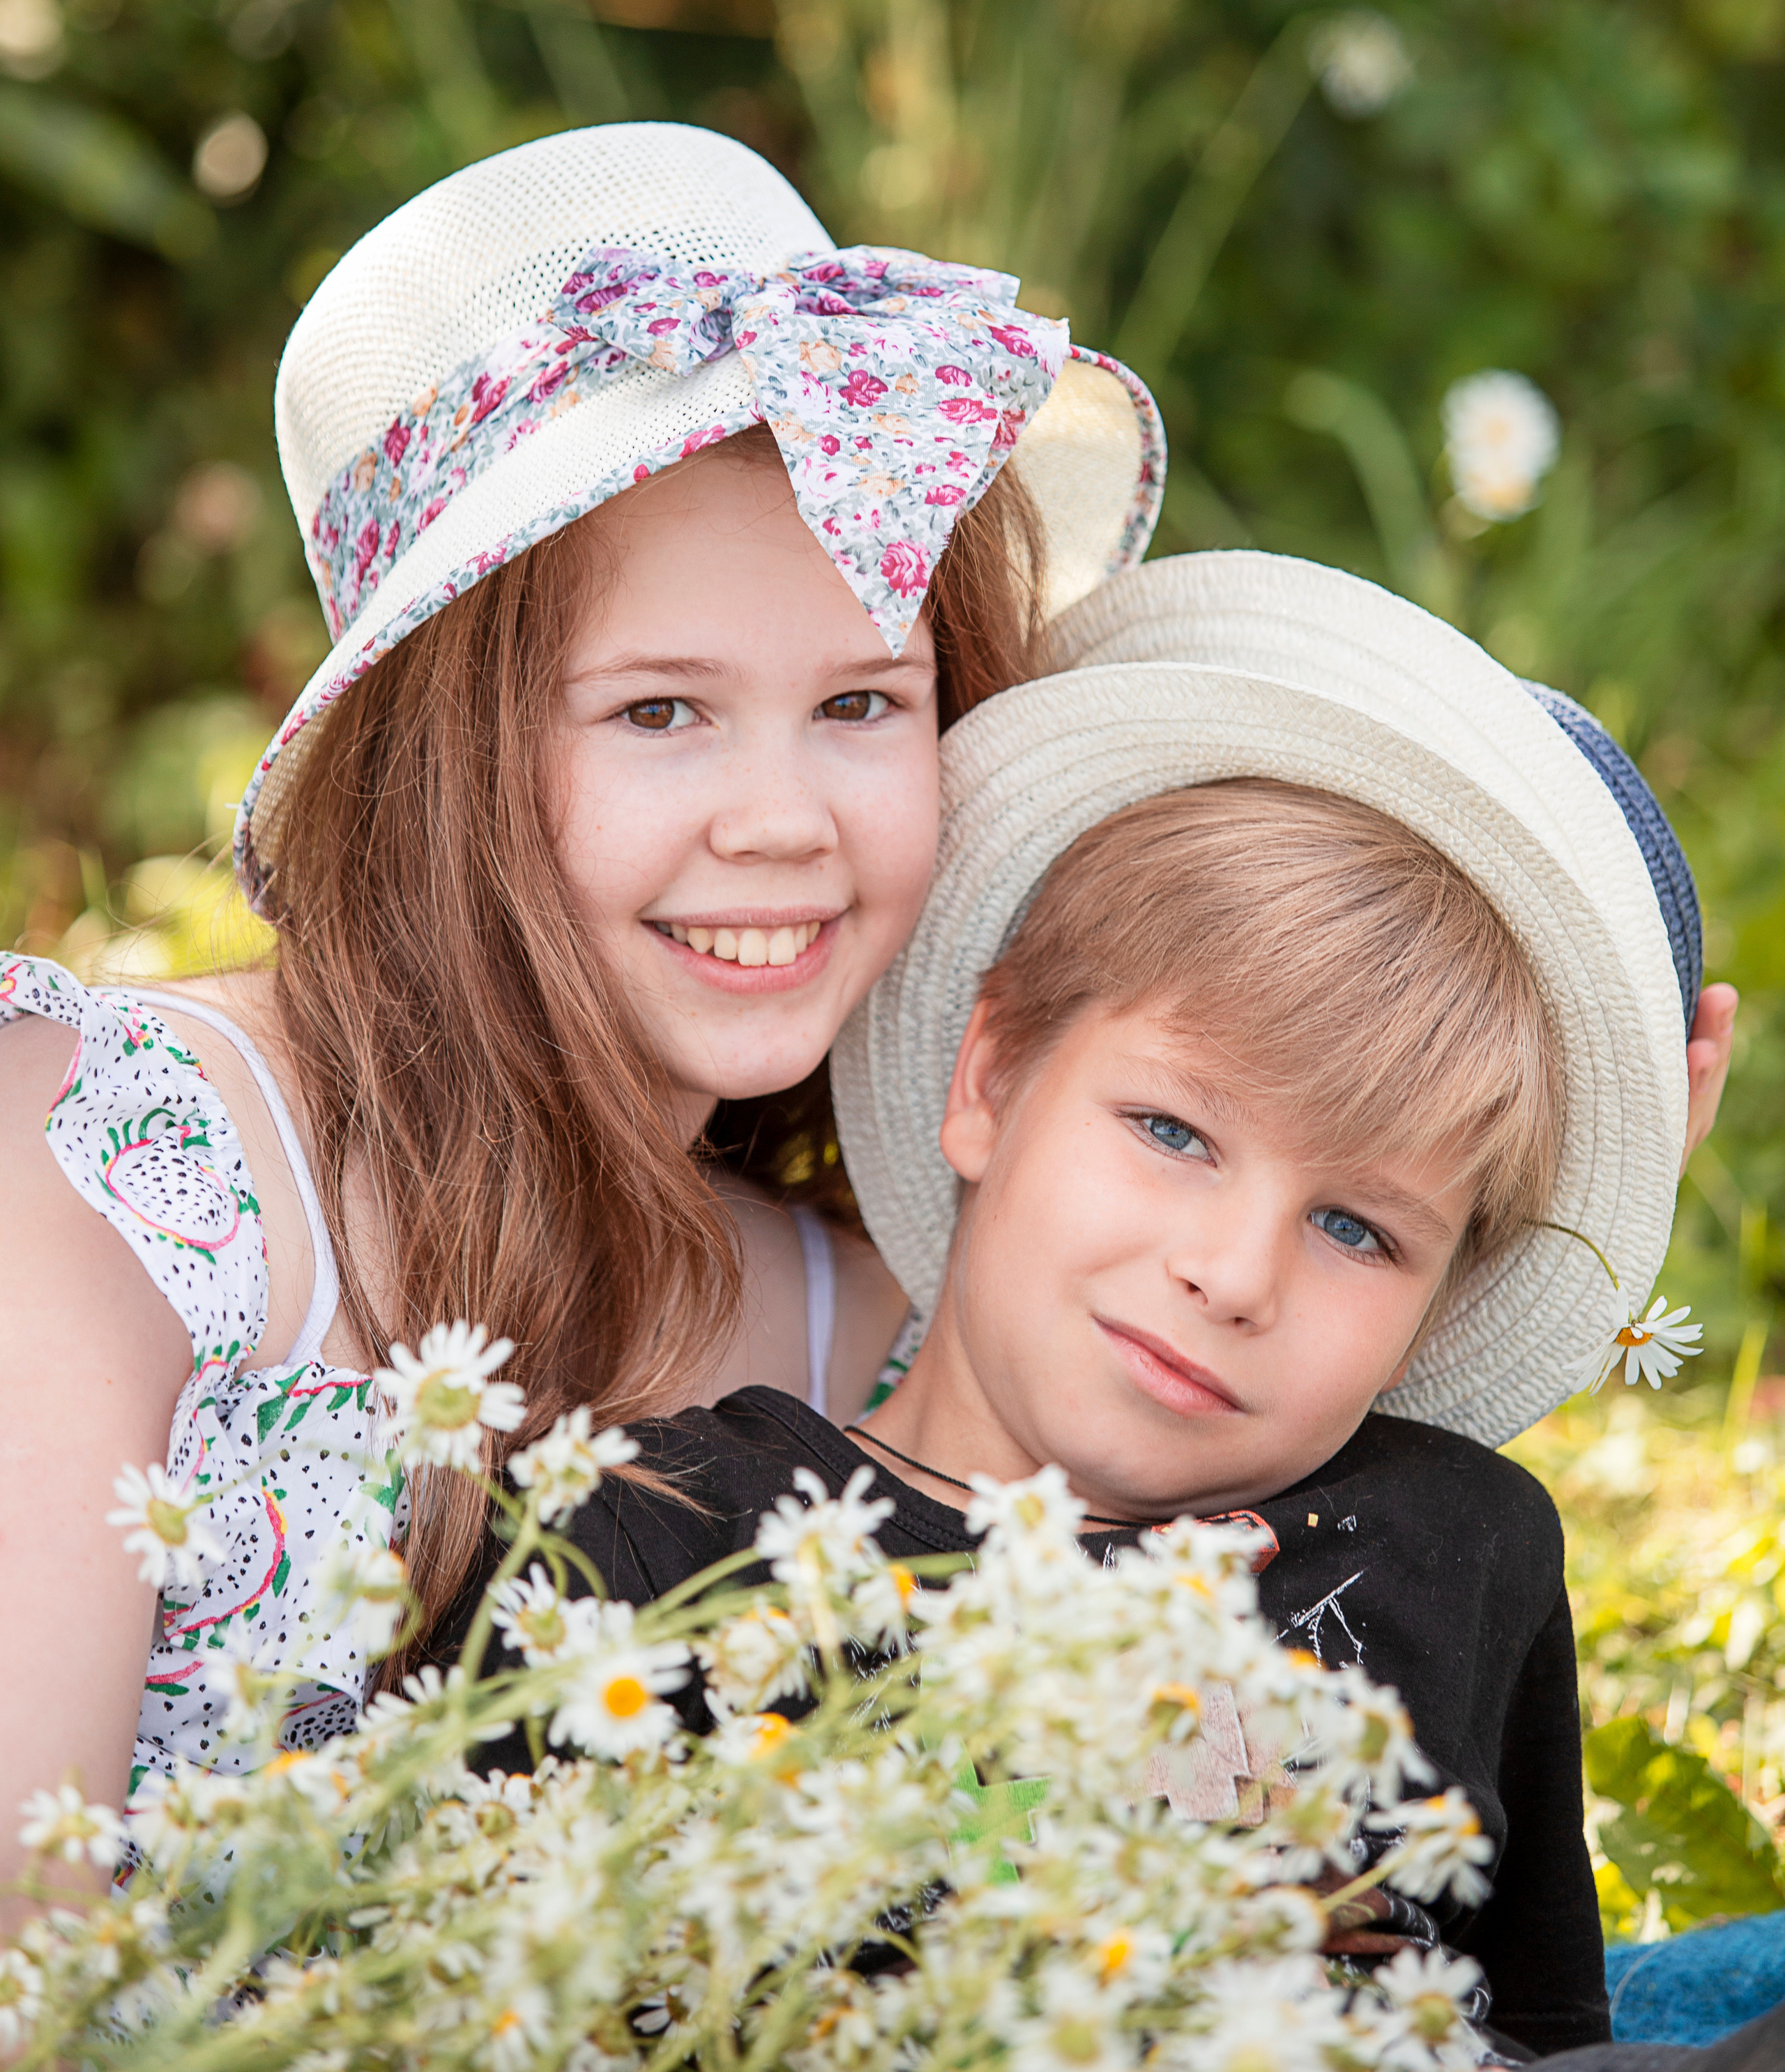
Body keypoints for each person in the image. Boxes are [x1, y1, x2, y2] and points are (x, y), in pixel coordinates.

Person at [0, 116, 1166, 1905]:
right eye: (656, 712)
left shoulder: (868, 1326)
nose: (780, 821)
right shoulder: (112, 1172)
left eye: (862, 703)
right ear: (437, 766)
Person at [444, 551, 1738, 2064]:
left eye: (1356, 1229)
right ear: (990, 1077)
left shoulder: (1452, 1541)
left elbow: (1546, 2031)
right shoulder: (660, 1545)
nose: (1233, 1276)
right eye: (1172, 1132)